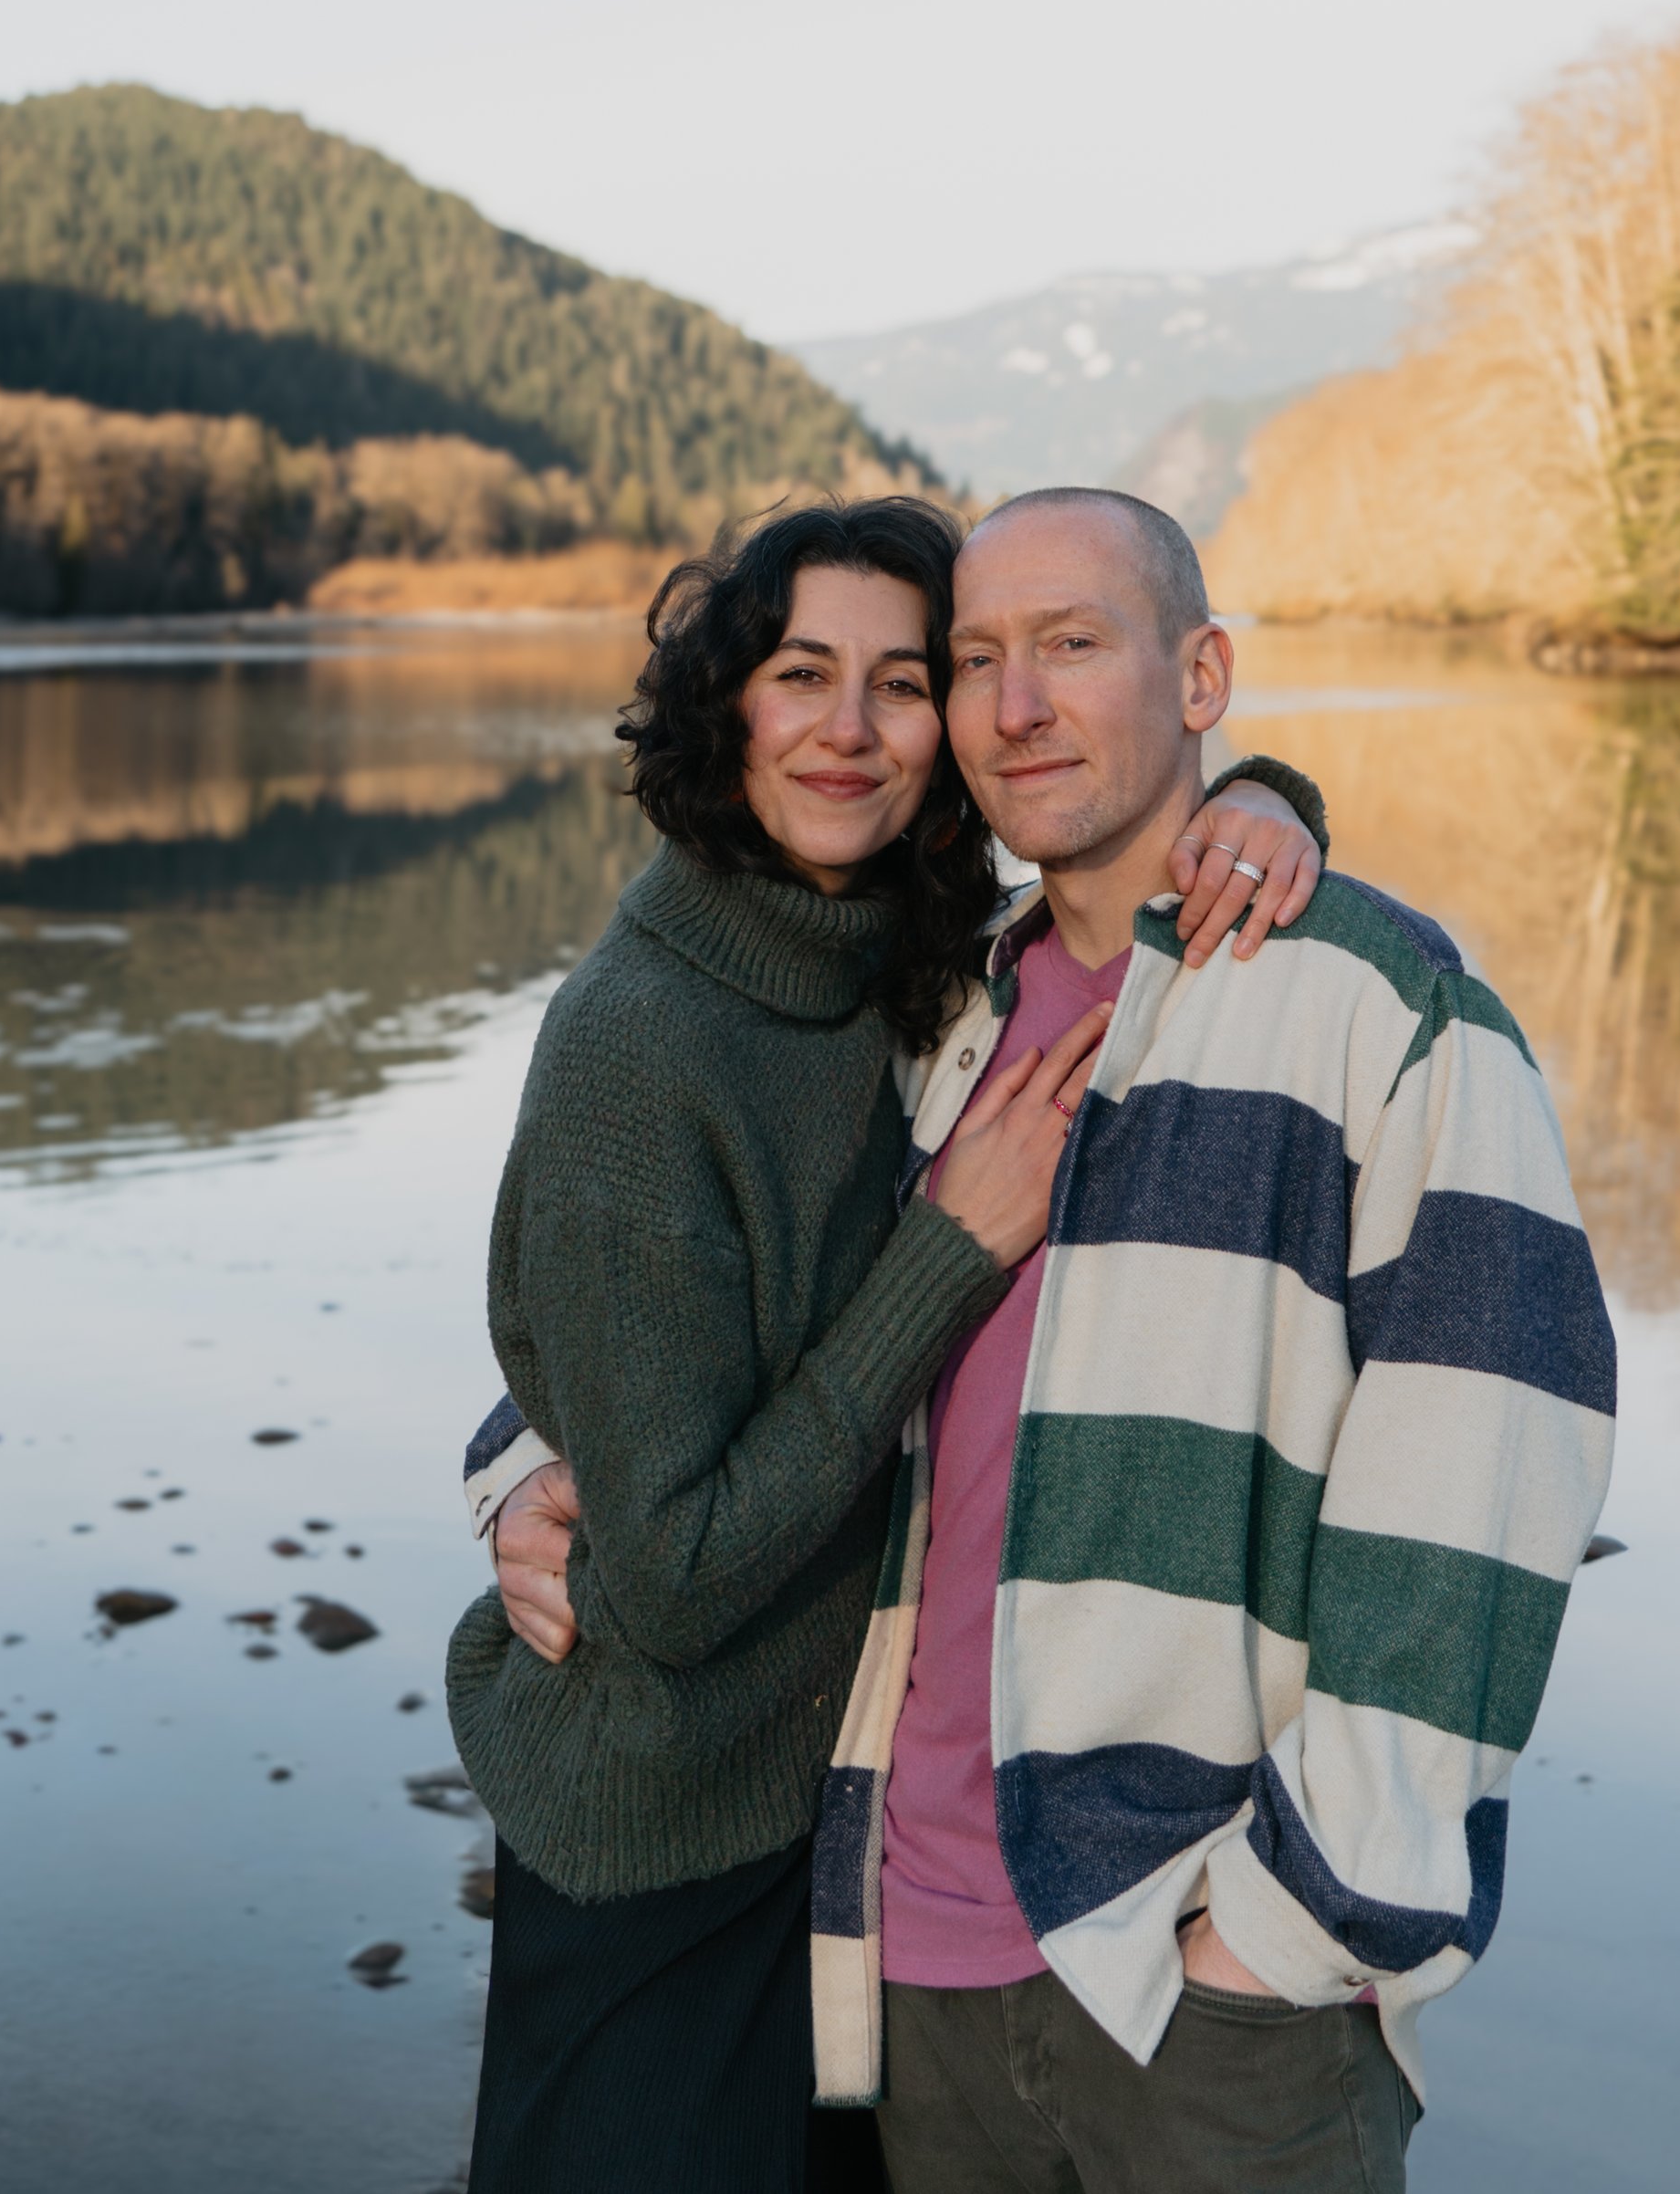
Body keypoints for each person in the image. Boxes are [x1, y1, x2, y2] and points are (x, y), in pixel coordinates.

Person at [485, 486, 1617, 2194]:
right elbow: (655, 1310)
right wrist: (518, 1462)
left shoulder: (1368, 1010)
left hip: (1203, 1986)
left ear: (1202, 671)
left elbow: (1488, 1485)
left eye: (1067, 647)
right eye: (981, 658)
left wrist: (1300, 1925)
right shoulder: (933, 1022)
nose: (1012, 703)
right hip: (894, 1969)